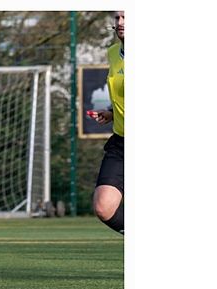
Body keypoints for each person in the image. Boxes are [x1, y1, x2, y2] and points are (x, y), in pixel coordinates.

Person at [88, 11, 124, 234]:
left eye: (126, 17)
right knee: (104, 206)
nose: (120, 23)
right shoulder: (113, 53)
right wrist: (112, 112)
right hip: (122, 141)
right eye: (117, 18)